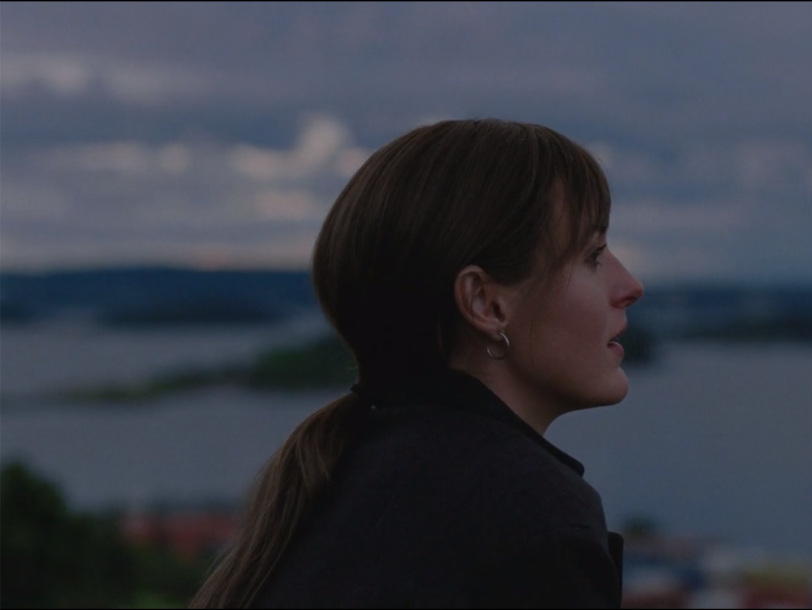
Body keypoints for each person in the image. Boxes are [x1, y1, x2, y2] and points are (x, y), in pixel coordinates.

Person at [189, 119, 644, 608]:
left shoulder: (343, 478)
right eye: (593, 255)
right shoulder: (529, 517)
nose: (630, 286)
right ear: (486, 304)